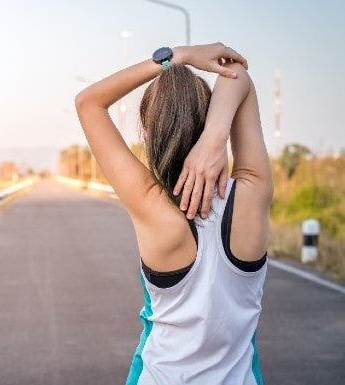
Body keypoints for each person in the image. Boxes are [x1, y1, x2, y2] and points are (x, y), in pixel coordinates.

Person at [75, 43, 273, 384]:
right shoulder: (252, 194)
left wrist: (177, 57)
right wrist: (214, 136)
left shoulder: (151, 207)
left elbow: (88, 102)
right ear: (213, 117)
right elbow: (237, 72)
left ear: (150, 134)